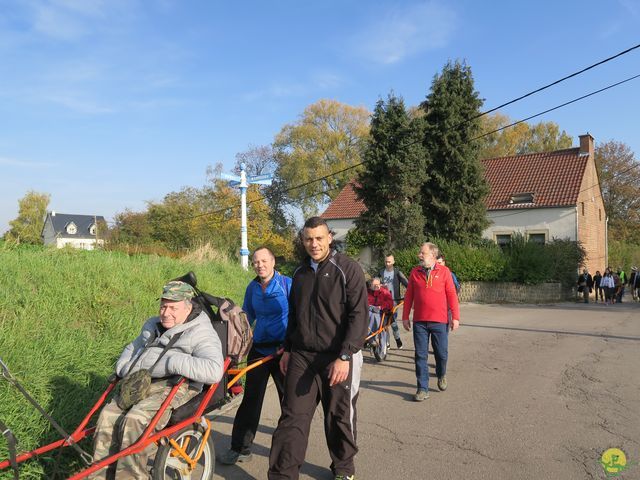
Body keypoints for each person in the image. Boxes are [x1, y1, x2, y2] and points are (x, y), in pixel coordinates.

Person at [90, 281, 224, 480]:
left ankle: (130, 477)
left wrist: (173, 361)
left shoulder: (200, 331)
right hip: (142, 382)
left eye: (173, 307)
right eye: (163, 305)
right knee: (108, 415)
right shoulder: (153, 325)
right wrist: (124, 367)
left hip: (176, 385)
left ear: (188, 307)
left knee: (135, 420)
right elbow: (132, 347)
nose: (166, 312)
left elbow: (214, 370)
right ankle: (100, 475)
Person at [268, 216, 368, 480]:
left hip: (338, 356)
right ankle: (282, 475)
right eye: (309, 239)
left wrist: (345, 355)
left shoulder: (348, 269)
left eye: (319, 238)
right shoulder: (299, 274)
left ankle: (344, 468)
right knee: (292, 419)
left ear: (329, 238)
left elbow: (359, 316)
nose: (314, 244)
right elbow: (294, 316)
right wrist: (288, 349)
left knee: (338, 417)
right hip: (302, 356)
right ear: (303, 240)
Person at [219, 247, 291, 465]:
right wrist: (236, 346)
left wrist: (290, 346)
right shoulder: (252, 287)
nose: (260, 265)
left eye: (264, 261)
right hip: (259, 349)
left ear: (273, 262)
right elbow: (247, 318)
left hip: (283, 352)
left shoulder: (288, 284)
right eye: (256, 262)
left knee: (289, 405)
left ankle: (287, 454)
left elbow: (299, 317)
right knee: (250, 401)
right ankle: (240, 448)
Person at [402, 242, 460, 402]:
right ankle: (422, 388)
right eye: (420, 253)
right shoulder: (415, 272)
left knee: (441, 353)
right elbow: (409, 296)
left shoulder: (444, 272)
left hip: (440, 321)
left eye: (423, 253)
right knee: (420, 355)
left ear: (433, 255)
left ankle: (441, 374)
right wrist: (405, 316)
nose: (419, 255)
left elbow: (451, 295)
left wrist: (455, 317)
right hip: (420, 321)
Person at [379, 254, 409, 349]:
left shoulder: (397, 273)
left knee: (392, 322)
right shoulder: (381, 272)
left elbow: (407, 284)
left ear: (393, 262)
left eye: (389, 262)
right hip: (383, 301)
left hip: (394, 301)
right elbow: (374, 283)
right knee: (384, 322)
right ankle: (386, 342)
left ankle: (397, 339)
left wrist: (409, 295)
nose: (387, 264)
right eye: (386, 262)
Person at [366, 277, 394, 346]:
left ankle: (371, 336)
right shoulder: (366, 292)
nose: (377, 286)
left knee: (374, 315)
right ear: (370, 285)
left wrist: (381, 307)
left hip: (382, 313)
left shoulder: (384, 292)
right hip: (368, 311)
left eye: (378, 284)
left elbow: (390, 303)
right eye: (374, 284)